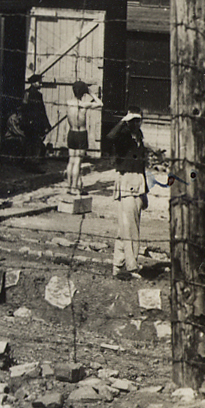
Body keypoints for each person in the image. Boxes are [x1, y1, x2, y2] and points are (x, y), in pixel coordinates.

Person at [108, 108, 148, 277]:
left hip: (138, 181)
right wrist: (123, 121)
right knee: (129, 227)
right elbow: (110, 137)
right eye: (133, 120)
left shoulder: (139, 136)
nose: (135, 123)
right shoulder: (122, 136)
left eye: (138, 120)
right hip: (125, 180)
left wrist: (145, 192)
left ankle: (117, 264)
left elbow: (141, 165)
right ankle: (132, 265)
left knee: (126, 227)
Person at [65, 80, 102, 195]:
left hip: (71, 133)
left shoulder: (68, 102)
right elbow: (100, 104)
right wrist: (90, 92)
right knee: (78, 162)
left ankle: (69, 185)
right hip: (81, 134)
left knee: (71, 161)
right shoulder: (84, 105)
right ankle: (75, 188)